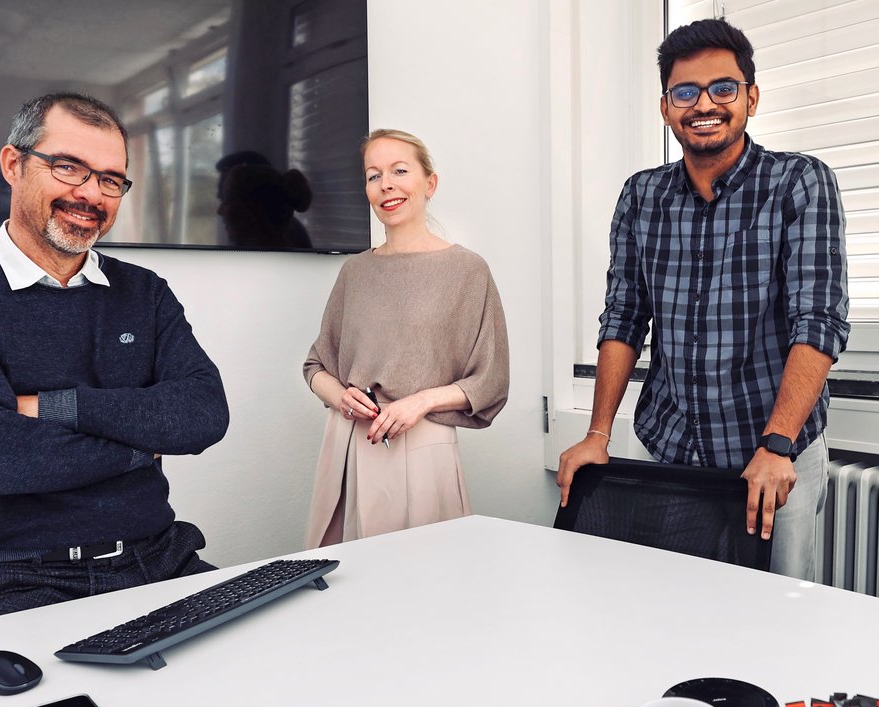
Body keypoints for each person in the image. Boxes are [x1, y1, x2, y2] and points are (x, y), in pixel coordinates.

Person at [0, 93, 229, 625]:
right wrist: (142, 445)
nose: (90, 194)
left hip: (162, 558)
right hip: (17, 578)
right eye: (69, 167)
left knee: (273, 674)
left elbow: (203, 415)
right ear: (14, 164)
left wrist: (48, 408)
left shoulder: (144, 292)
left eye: (110, 179)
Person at [555, 19, 850, 581]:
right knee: (664, 602)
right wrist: (598, 434)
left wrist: (777, 445)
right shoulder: (642, 196)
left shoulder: (800, 183)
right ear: (666, 108)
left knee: (774, 616)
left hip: (770, 453)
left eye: (723, 88)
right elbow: (623, 318)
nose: (704, 104)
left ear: (751, 98)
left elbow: (818, 322)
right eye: (685, 92)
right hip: (667, 446)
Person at [301, 129, 508, 547]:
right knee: (347, 588)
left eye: (399, 170)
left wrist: (422, 401)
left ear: (429, 183)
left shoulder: (467, 271)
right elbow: (315, 367)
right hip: (348, 446)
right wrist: (340, 395)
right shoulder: (354, 272)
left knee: (426, 582)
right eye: (373, 175)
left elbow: (490, 380)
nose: (386, 185)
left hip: (423, 444)